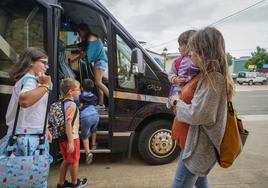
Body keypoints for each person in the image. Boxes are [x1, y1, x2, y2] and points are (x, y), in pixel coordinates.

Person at [171, 27, 235, 188]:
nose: (190, 53)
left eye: (194, 49)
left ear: (204, 51)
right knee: (201, 183)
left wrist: (176, 103)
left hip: (197, 149)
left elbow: (197, 115)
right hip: (193, 144)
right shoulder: (205, 76)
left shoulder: (214, 79)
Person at [0, 47, 52, 186]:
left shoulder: (32, 80)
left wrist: (45, 127)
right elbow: (25, 101)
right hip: (27, 139)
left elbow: (36, 110)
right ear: (31, 63)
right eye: (43, 62)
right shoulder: (30, 80)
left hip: (28, 135)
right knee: (31, 181)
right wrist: (46, 86)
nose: (46, 66)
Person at [68, 23, 108, 108]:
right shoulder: (87, 40)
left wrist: (73, 60)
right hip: (99, 62)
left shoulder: (91, 37)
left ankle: (112, 100)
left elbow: (85, 53)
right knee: (98, 83)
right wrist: (66, 46)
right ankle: (101, 104)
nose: (79, 34)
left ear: (85, 30)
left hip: (100, 62)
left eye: (80, 32)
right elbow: (78, 45)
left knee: (98, 82)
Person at [57, 78, 88, 188]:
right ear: (71, 91)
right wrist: (71, 141)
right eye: (78, 89)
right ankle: (75, 183)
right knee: (74, 161)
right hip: (71, 137)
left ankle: (61, 183)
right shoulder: (72, 105)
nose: (80, 91)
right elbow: (68, 123)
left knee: (66, 159)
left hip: (62, 137)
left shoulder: (62, 102)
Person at [167, 29, 198, 109]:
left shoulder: (199, 61)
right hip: (178, 91)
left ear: (189, 45)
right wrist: (174, 79)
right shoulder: (177, 61)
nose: (178, 48)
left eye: (180, 45)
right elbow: (170, 74)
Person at [79, 78, 100, 164]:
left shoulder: (80, 96)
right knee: (94, 129)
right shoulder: (95, 97)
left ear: (82, 88)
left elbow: (77, 105)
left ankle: (88, 153)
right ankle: (94, 145)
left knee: (85, 135)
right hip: (95, 115)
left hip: (86, 117)